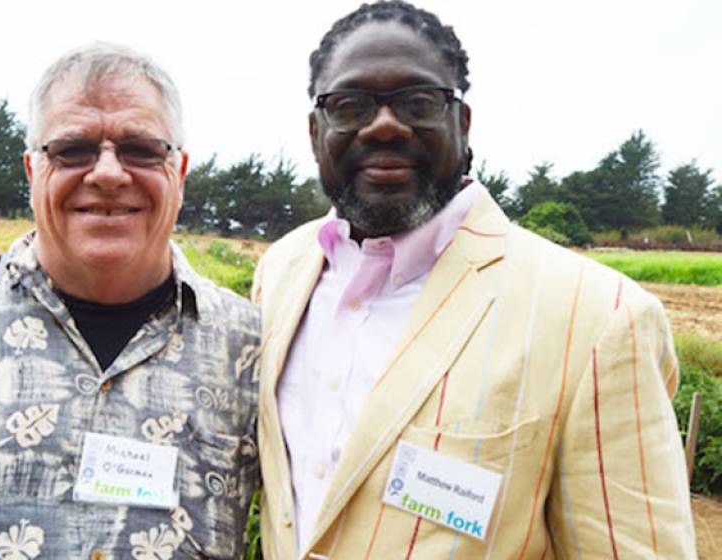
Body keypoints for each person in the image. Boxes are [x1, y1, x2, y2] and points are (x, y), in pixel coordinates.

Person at [252, 2, 697, 558]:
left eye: (418, 102)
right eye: (350, 105)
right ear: (316, 131)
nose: (385, 125)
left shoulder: (600, 318)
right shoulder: (282, 272)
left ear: (462, 123)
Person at [0, 42, 261, 559]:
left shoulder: (253, 353)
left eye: (141, 149)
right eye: (72, 149)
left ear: (180, 170)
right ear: (32, 170)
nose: (108, 173)